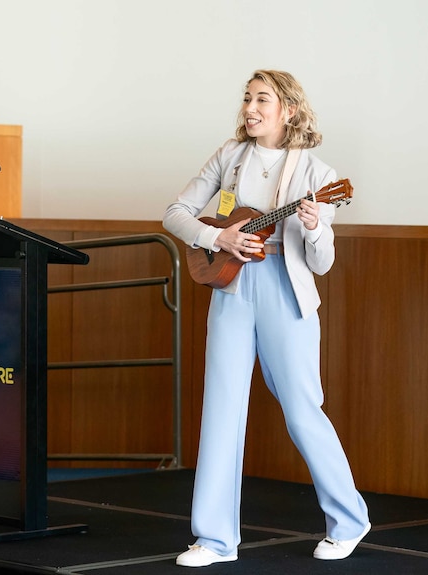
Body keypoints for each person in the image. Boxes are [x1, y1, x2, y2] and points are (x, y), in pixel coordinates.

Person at [162, 69, 370, 567]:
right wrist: (219, 239)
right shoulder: (227, 156)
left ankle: (349, 521)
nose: (251, 108)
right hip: (233, 286)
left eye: (263, 100)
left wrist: (317, 228)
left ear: (288, 110)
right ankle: (214, 540)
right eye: (247, 98)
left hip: (286, 291)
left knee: (302, 409)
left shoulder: (319, 175)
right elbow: (175, 213)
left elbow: (321, 264)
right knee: (221, 410)